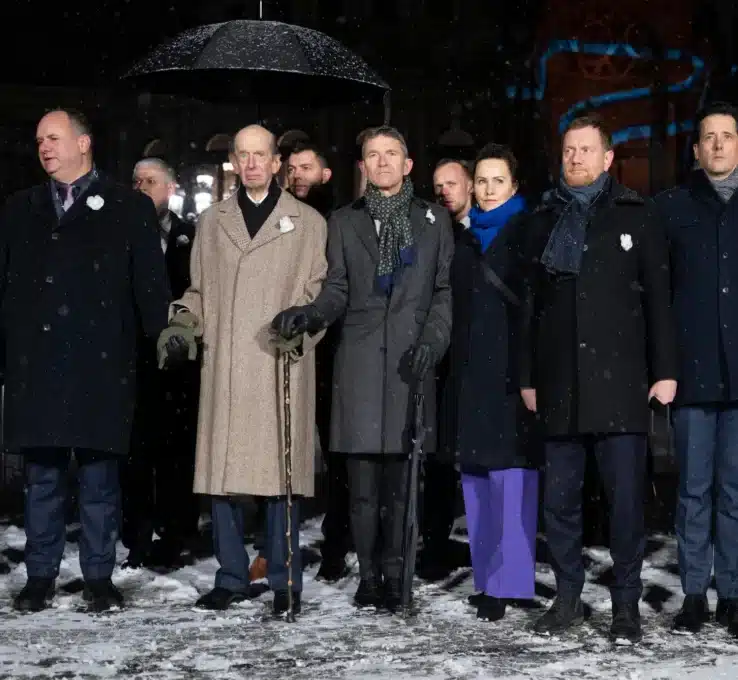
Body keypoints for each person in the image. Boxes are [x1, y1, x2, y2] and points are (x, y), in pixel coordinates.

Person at [272, 125, 453, 612]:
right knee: (363, 487)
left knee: (402, 485)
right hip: (358, 364)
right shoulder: (344, 222)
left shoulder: (434, 221)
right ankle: (369, 577)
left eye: (392, 153)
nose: (383, 162)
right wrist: (309, 315)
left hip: (410, 365)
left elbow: (442, 293)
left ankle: (397, 574)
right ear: (363, 167)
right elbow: (336, 289)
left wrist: (433, 342)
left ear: (408, 163)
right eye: (373, 155)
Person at [0, 109, 170, 612]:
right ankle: (40, 576)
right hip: (38, 364)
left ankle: (99, 577)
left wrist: (157, 350)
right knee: (42, 478)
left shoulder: (128, 207)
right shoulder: (19, 208)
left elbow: (151, 294)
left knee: (100, 480)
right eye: (38, 140)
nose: (44, 148)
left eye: (53, 138)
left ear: (84, 143)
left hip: (102, 365)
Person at [157, 125, 327, 616]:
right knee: (224, 477)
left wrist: (305, 324)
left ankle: (283, 579)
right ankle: (230, 575)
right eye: (244, 155)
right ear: (234, 161)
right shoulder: (212, 223)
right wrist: (185, 322)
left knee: (281, 480)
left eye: (262, 155)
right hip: (229, 363)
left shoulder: (309, 222)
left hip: (280, 361)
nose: (253, 163)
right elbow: (199, 291)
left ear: (278, 163)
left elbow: (318, 292)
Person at [520, 114, 677, 643]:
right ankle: (567, 599)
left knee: (625, 502)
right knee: (559, 502)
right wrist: (527, 376)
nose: (576, 159)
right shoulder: (543, 218)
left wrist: (666, 371)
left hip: (621, 381)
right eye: (569, 150)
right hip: (560, 381)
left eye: (586, 150)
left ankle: (626, 605)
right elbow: (530, 308)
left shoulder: (637, 214)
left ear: (608, 159)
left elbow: (659, 297)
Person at [443, 144, 539, 621]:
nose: (486, 189)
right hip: (470, 371)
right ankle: (488, 579)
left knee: (512, 477)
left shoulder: (527, 233)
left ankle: (510, 581)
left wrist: (529, 372)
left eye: (496, 181)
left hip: (511, 371)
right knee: (477, 477)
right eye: (480, 181)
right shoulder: (465, 238)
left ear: (514, 186)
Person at [655, 101, 738, 637]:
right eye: (708, 137)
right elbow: (657, 296)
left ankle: (730, 593)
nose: (717, 145)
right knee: (694, 488)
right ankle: (692, 593)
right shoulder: (672, 207)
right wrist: (663, 367)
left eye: (727, 136)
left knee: (735, 489)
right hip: (691, 371)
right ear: (695, 149)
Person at [121, 158, 200, 569]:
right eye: (136, 180)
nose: (141, 187)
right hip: (132, 360)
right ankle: (134, 533)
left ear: (171, 188)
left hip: (179, 364)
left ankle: (177, 531)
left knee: (177, 452)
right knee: (135, 454)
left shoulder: (193, 236)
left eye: (150, 181)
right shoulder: (119, 233)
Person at [286, 141, 351, 582]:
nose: (297, 175)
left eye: (306, 167)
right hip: (288, 342)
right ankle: (277, 542)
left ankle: (336, 544)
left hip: (332, 348)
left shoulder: (338, 221)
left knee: (336, 452)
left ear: (325, 174)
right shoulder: (280, 219)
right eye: (291, 168)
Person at [418, 157, 475, 582]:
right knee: (437, 456)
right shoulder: (431, 232)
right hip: (441, 357)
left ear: (469, 185)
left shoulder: (481, 232)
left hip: (476, 355)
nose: (443, 192)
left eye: (451, 183)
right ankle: (435, 542)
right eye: (437, 185)